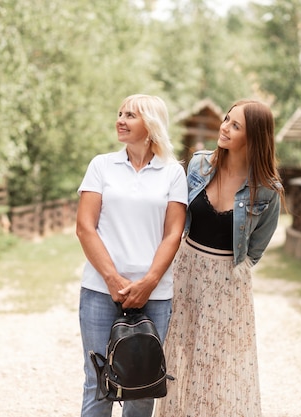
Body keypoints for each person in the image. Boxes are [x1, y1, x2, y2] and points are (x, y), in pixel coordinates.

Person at [153, 99, 285, 417]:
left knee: (218, 362)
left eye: (235, 125)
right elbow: (176, 220)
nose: (224, 127)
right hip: (186, 272)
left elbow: (255, 250)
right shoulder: (199, 165)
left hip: (228, 281)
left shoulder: (267, 190)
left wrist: (227, 274)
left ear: (254, 137)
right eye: (226, 119)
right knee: (179, 356)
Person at [76, 94, 188, 417]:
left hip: (155, 294)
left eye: (131, 115)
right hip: (100, 290)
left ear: (151, 125)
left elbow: (173, 234)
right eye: (120, 113)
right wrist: (112, 278)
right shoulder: (101, 166)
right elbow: (85, 227)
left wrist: (149, 282)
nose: (120, 120)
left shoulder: (172, 173)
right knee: (98, 382)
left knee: (143, 384)